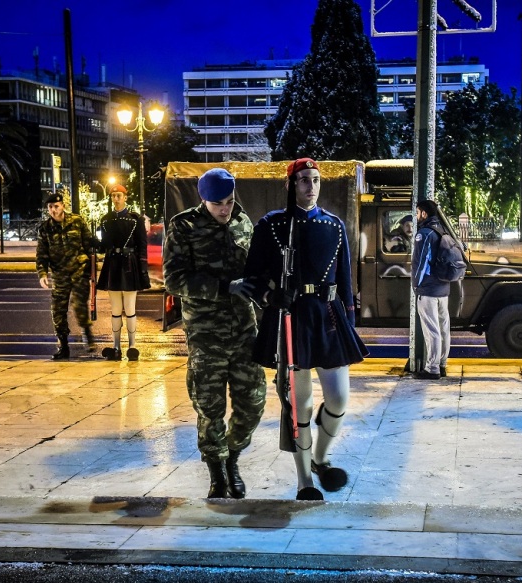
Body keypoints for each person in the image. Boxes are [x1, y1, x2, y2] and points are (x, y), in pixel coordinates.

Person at [244, 157, 368, 501]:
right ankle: (304, 481)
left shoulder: (334, 225)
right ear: (290, 185)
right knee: (300, 407)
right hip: (290, 316)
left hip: (327, 316)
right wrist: (271, 294)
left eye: (315, 180)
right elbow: (252, 278)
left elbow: (345, 278)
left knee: (339, 399)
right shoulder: (271, 225)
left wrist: (349, 322)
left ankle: (320, 458)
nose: (310, 186)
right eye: (303, 180)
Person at [163, 168, 266, 499]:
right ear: (203, 199)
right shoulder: (183, 226)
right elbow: (174, 280)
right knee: (210, 410)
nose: (225, 209)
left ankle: (233, 456)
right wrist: (225, 287)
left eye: (230, 201)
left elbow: (255, 269)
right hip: (206, 334)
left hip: (244, 330)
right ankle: (217, 470)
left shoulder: (242, 222)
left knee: (253, 403)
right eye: (218, 203)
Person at [35, 192, 96, 360]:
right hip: (60, 275)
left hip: (79, 271)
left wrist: (92, 271)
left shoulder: (77, 221)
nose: (53, 210)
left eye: (56, 206)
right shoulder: (45, 228)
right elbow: (41, 254)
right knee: (58, 311)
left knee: (79, 305)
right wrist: (42, 273)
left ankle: (87, 335)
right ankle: (63, 345)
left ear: (62, 206)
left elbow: (89, 244)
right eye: (50, 207)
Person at [96, 184, 149, 361]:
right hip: (112, 264)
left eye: (119, 195)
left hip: (128, 264)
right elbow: (103, 246)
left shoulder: (136, 220)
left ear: (125, 197)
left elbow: (142, 246)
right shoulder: (105, 220)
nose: (116, 199)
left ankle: (132, 346)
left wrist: (142, 269)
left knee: (130, 307)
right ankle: (116, 346)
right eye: (113, 196)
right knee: (116, 309)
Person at [411, 199, 451, 380]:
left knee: (431, 330)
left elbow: (420, 264)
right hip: (444, 288)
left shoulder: (424, 234)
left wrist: (416, 286)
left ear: (424, 213)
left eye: (418, 212)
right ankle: (442, 364)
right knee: (443, 328)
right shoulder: (443, 230)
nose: (417, 216)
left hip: (428, 289)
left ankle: (432, 368)